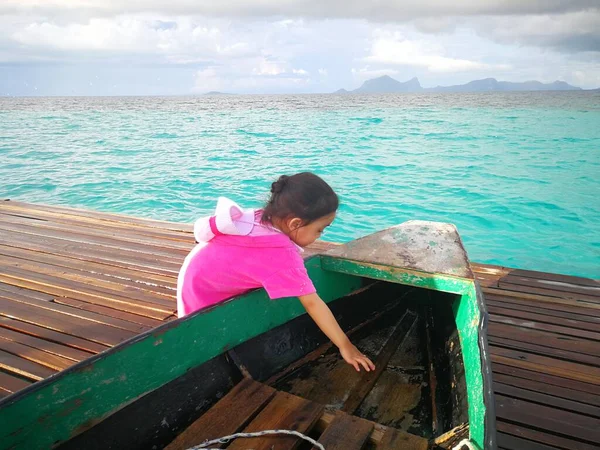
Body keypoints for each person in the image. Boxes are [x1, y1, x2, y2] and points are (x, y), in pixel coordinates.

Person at [177, 172, 375, 372]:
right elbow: (313, 303)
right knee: (205, 344)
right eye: (320, 230)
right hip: (202, 294)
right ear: (295, 223)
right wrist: (345, 346)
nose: (320, 235)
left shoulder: (259, 216)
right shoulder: (283, 255)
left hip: (194, 272)